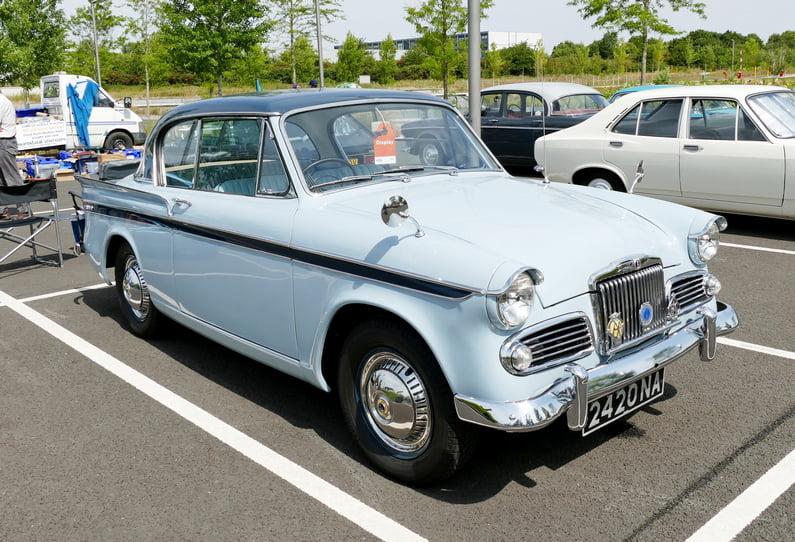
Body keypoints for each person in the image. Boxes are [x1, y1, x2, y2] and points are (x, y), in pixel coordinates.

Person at [0, 90, 27, 219]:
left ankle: (24, 209)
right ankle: (2, 210)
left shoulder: (1, 101)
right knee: (2, 179)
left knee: (11, 178)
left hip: (4, 142)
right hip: (3, 141)